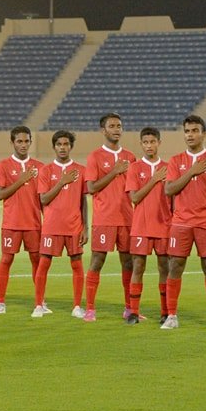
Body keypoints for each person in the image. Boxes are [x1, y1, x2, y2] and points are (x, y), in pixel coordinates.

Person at [161, 115, 206, 331]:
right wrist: (192, 171)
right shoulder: (176, 160)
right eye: (187, 131)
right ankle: (172, 316)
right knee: (175, 266)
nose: (190, 135)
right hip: (181, 222)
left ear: (204, 133)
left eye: (194, 130)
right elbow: (169, 189)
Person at [83, 112, 136, 322]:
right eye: (112, 126)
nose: (117, 129)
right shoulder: (95, 156)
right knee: (97, 261)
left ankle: (130, 307)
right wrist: (114, 172)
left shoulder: (131, 157)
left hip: (127, 219)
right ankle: (90, 309)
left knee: (129, 263)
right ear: (103, 130)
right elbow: (92, 187)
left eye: (119, 126)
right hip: (104, 219)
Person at [32, 130, 88, 319]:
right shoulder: (46, 171)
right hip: (52, 226)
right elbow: (44, 199)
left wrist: (85, 227)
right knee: (44, 263)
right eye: (59, 144)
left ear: (71, 146)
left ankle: (77, 306)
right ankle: (39, 305)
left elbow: (83, 201)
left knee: (77, 265)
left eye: (66, 144)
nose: (62, 148)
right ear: (54, 147)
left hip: (74, 227)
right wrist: (62, 182)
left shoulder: (81, 170)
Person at [0, 126, 43, 315]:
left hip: (34, 224)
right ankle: (0, 302)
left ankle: (40, 302)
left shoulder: (40, 167)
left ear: (31, 142)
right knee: (6, 259)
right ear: (12, 142)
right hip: (12, 224)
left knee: (37, 261)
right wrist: (21, 180)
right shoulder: (3, 166)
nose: (23, 145)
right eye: (19, 141)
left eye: (26, 141)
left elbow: (43, 198)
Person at [124, 127, 171, 324]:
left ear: (159, 142)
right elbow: (134, 197)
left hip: (164, 225)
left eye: (152, 142)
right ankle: (133, 312)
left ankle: (165, 312)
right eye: (145, 142)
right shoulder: (134, 168)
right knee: (138, 267)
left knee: (164, 268)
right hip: (141, 226)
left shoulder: (169, 167)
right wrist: (154, 180)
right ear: (141, 144)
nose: (149, 146)